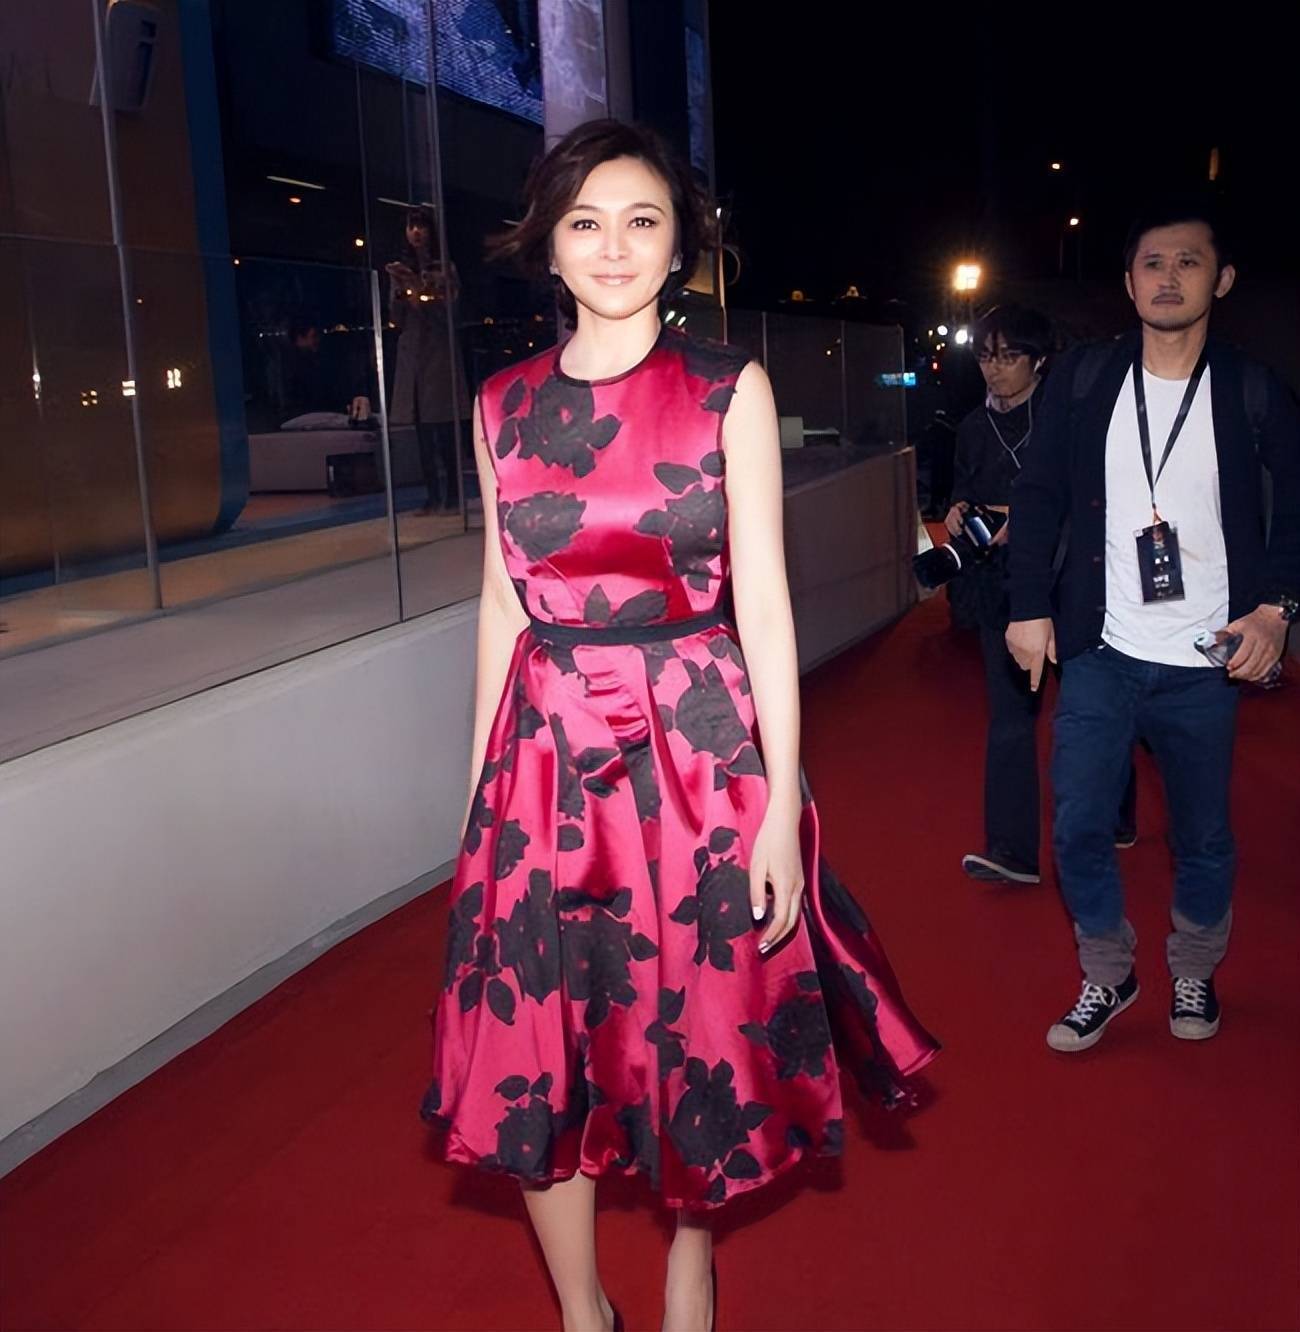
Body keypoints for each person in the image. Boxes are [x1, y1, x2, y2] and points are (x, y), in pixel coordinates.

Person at [420, 120, 938, 1332]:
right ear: (549, 245)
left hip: (696, 751)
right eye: (585, 222)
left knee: (700, 1020)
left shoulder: (726, 388)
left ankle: (689, 1263)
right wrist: (476, 791)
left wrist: (780, 797)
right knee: (536, 1035)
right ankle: (581, 1311)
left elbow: (765, 604)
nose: (613, 247)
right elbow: (501, 601)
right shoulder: (499, 404)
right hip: (545, 759)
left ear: (680, 246)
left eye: (641, 221)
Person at [1006, 200, 1300, 1053]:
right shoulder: (1086, 379)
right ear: (1129, 282)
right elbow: (1039, 494)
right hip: (1102, 649)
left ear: (1223, 280)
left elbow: (1296, 505)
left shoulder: (1252, 389)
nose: (1169, 278)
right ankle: (1109, 972)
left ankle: (1195, 967)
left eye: (1189, 262)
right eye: (1153, 263)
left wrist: (1277, 608)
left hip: (1208, 659)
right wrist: (1028, 605)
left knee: (1202, 834)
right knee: (1076, 827)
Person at [950, 307, 1137, 887]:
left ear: (1038, 361)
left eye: (1009, 356)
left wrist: (1025, 518)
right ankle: (1011, 850)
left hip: (1071, 583)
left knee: (1093, 708)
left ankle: (1117, 811)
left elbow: (1094, 500)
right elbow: (961, 489)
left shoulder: (1069, 418)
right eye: (986, 356)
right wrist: (959, 512)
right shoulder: (971, 428)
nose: (995, 369)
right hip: (1001, 590)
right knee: (1009, 717)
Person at [388, 205, 471, 514]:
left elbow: (449, 314)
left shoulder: (444, 268)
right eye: (411, 226)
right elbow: (395, 319)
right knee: (421, 430)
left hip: (438, 354)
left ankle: (452, 494)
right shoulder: (400, 270)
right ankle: (432, 495)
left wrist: (420, 293)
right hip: (413, 355)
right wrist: (402, 293)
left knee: (445, 427)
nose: (416, 232)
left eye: (421, 226)